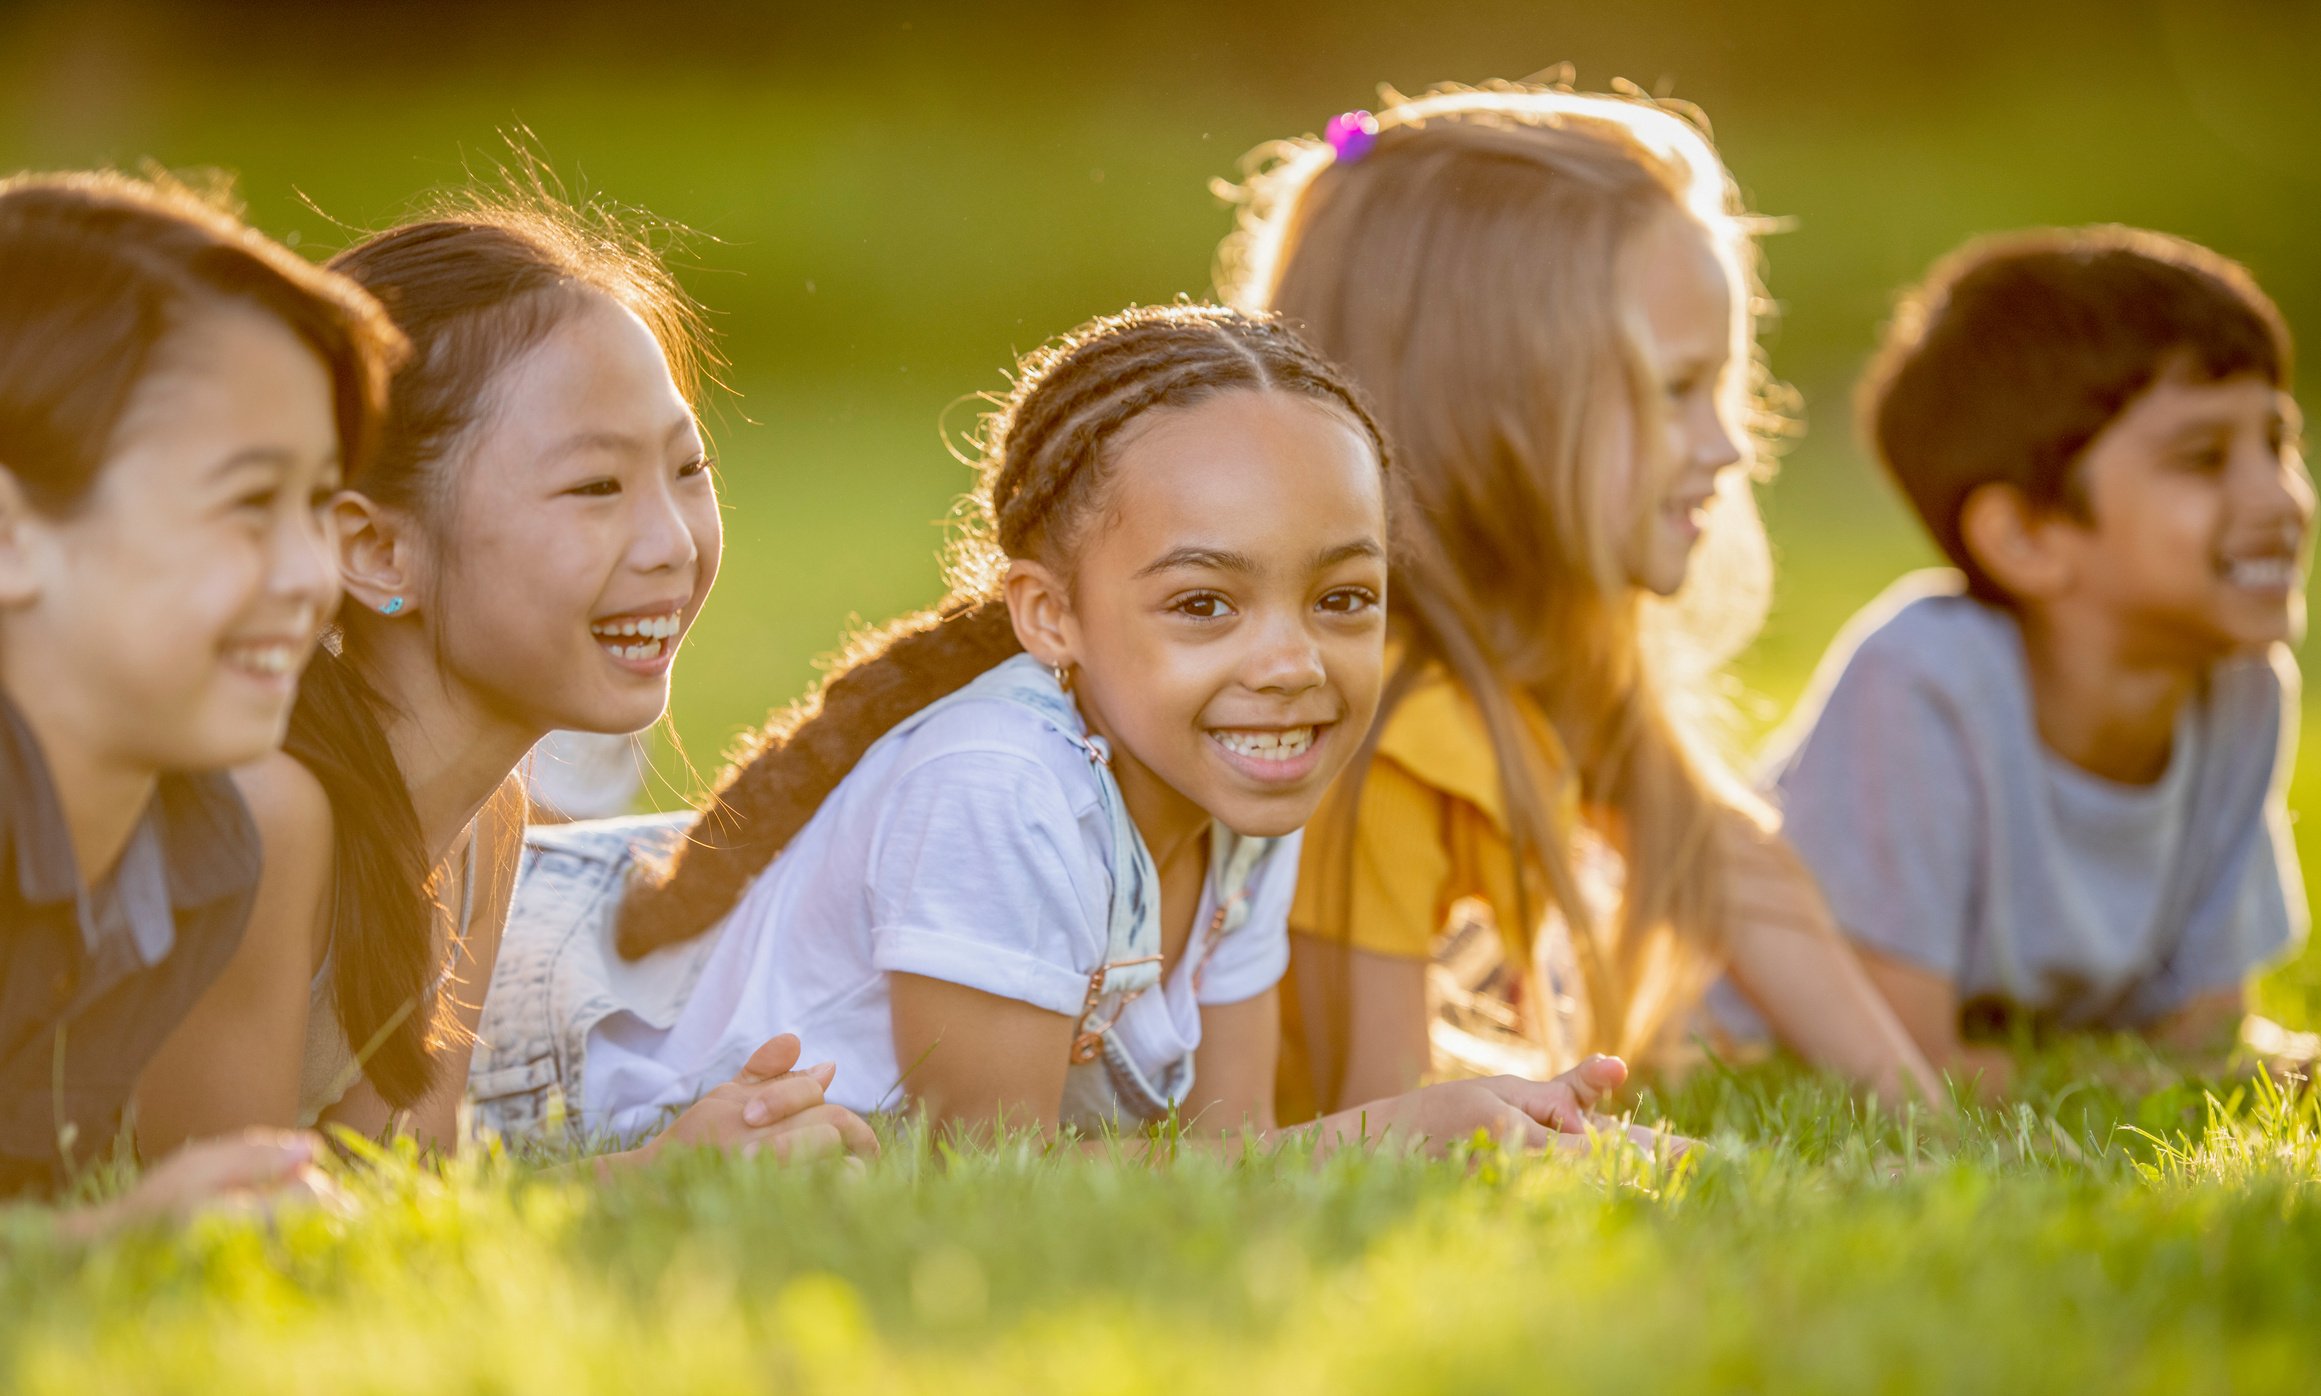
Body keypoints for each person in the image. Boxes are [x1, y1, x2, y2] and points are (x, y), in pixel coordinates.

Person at [478, 304, 1646, 1158]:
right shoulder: (999, 785)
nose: (1291, 664)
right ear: (1050, 615)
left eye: (1341, 597)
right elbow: (994, 1182)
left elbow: (1228, 1155)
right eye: (1204, 604)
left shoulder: (1241, 780)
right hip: (519, 1055)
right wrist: (1406, 1130)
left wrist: (1503, 1136)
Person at [1215, 82, 1943, 1120]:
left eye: (1722, 388)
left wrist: (1920, 1115)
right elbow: (1374, 1129)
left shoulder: (1551, 660)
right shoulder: (1383, 731)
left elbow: (1723, 863)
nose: (1727, 445)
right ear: (1495, 407)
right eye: (1674, 390)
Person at [137, 180, 874, 1168]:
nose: (669, 541)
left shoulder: (484, 819)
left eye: (687, 470)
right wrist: (647, 1180)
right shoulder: (263, 811)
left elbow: (395, 1195)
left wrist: (685, 1158)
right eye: (594, 486)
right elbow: (232, 1235)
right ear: (375, 549)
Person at [1765, 226, 2310, 1088]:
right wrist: (2158, 1082)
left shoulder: (2241, 689)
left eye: (2276, 445)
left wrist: (2218, 1073)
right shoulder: (1922, 683)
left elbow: (2204, 1038)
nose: (2277, 499)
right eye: (2204, 458)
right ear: (2022, 536)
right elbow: (1907, 1066)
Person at [0, 170, 401, 1218]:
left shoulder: (196, 851)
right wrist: (110, 1238)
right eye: (246, 503)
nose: (314, 573)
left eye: (316, 501)